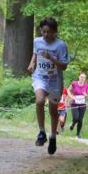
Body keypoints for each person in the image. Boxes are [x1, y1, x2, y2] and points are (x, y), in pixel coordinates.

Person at [27, 17, 70, 154]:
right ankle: (41, 132)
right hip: (40, 77)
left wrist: (51, 58)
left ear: (55, 32)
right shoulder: (37, 41)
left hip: (55, 81)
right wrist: (32, 63)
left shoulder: (60, 45)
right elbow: (35, 53)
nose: (46, 35)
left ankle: (52, 137)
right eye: (44, 32)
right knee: (39, 101)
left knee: (53, 110)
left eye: (49, 32)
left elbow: (63, 66)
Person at [67, 71, 88, 138]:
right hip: (74, 104)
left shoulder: (87, 85)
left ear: (85, 79)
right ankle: (73, 124)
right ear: (79, 77)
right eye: (81, 77)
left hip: (82, 104)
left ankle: (78, 134)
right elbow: (68, 90)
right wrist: (71, 96)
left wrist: (86, 95)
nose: (82, 78)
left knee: (80, 120)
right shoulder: (74, 83)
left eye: (84, 78)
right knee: (75, 118)